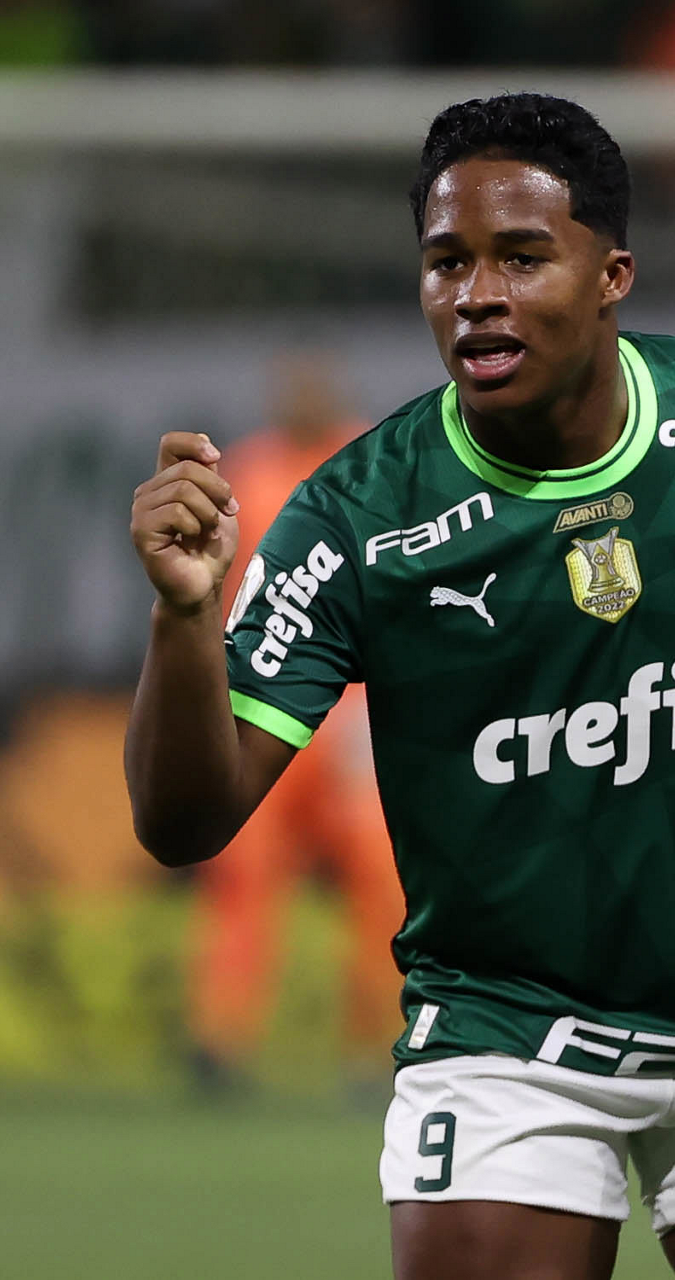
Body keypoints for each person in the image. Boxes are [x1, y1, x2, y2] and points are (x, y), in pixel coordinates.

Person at [126, 93, 675, 1280]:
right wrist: (184, 619)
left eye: (520, 256)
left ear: (611, 276)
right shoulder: (354, 518)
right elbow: (184, 821)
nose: (475, 294)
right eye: (446, 261)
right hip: (504, 1047)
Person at [187, 350, 403, 1089]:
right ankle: (220, 1038)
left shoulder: (373, 464)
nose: (301, 397)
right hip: (260, 702)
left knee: (380, 873)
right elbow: (217, 598)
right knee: (243, 871)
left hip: (350, 711)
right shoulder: (247, 471)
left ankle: (377, 1042)